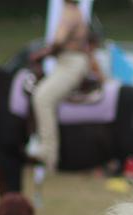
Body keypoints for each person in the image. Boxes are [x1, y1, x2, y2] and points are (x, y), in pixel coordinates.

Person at [26, 0, 89, 173]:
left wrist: (42, 53)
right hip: (66, 62)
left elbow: (59, 41)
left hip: (71, 63)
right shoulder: (75, 11)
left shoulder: (69, 12)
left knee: (42, 97)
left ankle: (48, 152)